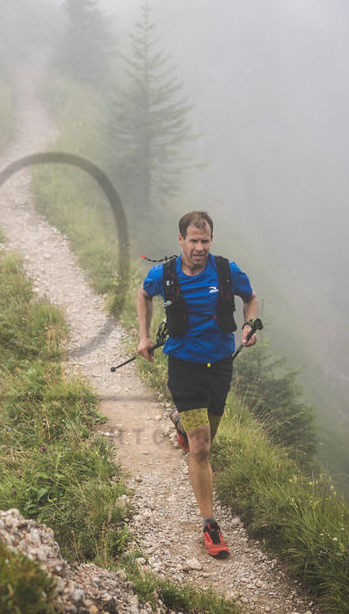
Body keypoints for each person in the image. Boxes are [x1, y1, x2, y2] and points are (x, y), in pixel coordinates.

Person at [136, 210, 259, 557]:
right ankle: (210, 526)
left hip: (219, 364)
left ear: (211, 240)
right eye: (194, 240)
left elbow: (251, 299)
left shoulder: (226, 271)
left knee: (204, 439)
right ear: (181, 240)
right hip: (184, 366)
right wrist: (143, 336)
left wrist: (250, 326)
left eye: (205, 241)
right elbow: (144, 295)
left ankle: (180, 422)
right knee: (202, 448)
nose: (200, 247)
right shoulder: (164, 274)